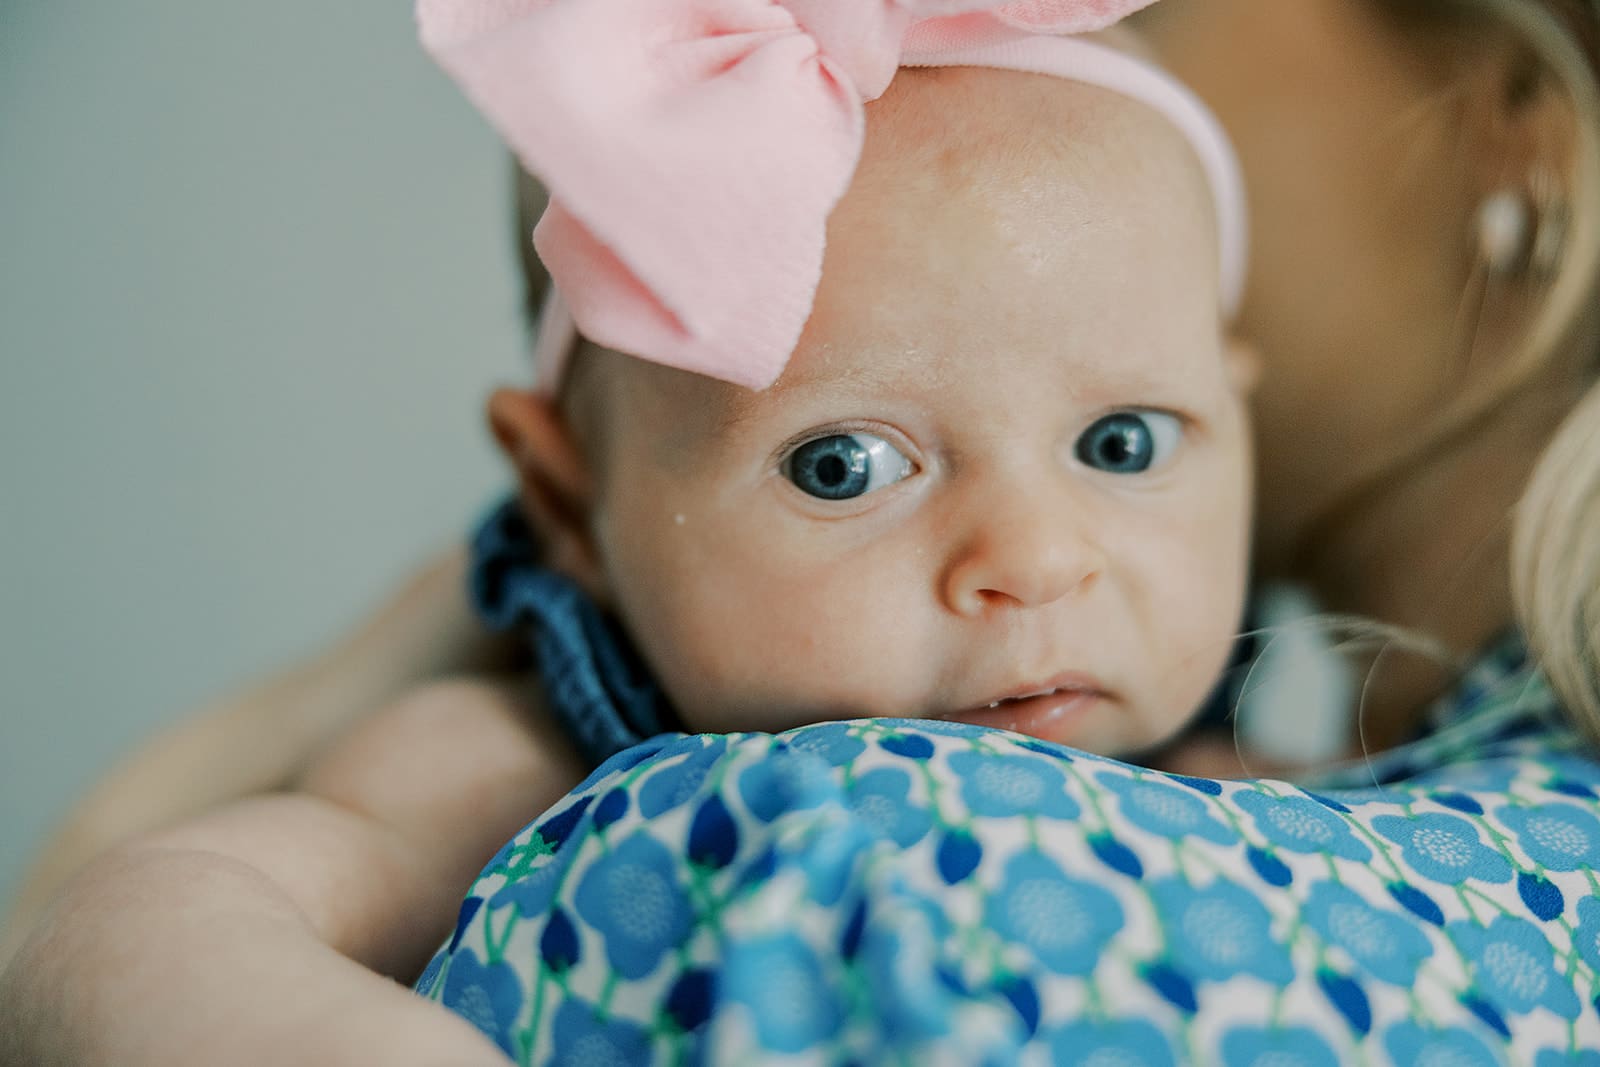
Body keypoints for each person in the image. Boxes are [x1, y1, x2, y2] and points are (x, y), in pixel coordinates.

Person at [2, 0, 1597, 1061]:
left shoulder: (1294, 788)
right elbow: (134, 925)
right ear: (568, 504)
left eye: (1122, 442)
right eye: (845, 465)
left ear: (1227, 410)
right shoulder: (497, 766)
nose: (1036, 558)